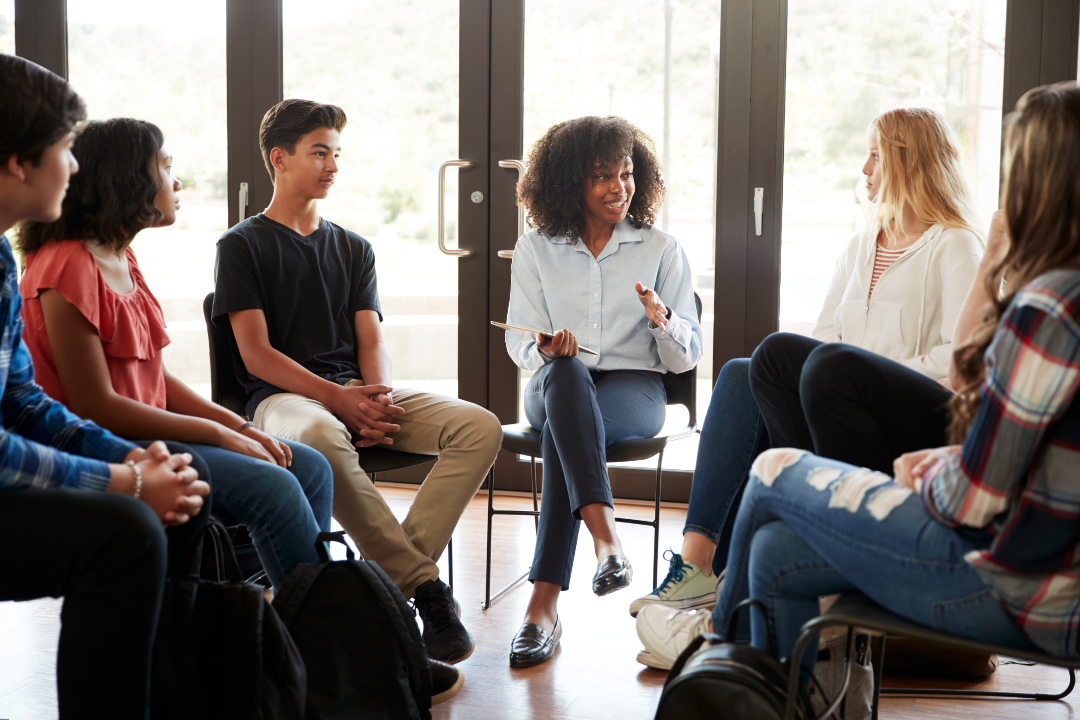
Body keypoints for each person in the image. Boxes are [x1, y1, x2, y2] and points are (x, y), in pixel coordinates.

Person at [636, 81, 1080, 679]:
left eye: (876, 154)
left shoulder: (981, 263)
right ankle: (715, 599)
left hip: (924, 447)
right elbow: (819, 343)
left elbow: (960, 376)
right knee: (757, 367)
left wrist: (874, 386)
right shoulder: (861, 247)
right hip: (865, 426)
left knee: (805, 414)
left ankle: (717, 639)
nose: (864, 168)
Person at [212, 98, 501, 666]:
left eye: (337, 153)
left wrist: (380, 398)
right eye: (320, 152)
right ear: (280, 158)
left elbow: (371, 341)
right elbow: (257, 355)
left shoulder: (354, 248)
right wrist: (340, 401)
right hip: (283, 399)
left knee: (479, 427)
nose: (333, 165)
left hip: (353, 390)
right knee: (320, 438)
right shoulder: (240, 246)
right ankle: (425, 589)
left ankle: (385, 586)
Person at [17, 117, 336, 592]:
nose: (176, 180)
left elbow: (156, 381)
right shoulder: (66, 266)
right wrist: (221, 435)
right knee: (274, 486)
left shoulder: (121, 256)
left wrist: (240, 426)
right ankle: (328, 637)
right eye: (165, 167)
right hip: (110, 444)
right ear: (126, 180)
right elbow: (95, 406)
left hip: (152, 431)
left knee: (309, 465)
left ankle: (292, 622)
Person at [0, 54, 210, 720]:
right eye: (66, 148)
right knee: (126, 529)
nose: (77, 165)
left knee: (179, 488)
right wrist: (122, 482)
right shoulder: (58, 265)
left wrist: (130, 458)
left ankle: (180, 698)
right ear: (17, 163)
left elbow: (25, 404)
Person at [502, 116, 702, 668]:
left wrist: (662, 321)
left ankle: (542, 609)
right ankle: (607, 538)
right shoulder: (536, 249)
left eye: (627, 173)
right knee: (567, 381)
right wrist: (545, 349)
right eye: (602, 176)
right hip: (554, 381)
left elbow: (687, 357)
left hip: (632, 389)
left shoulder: (661, 249)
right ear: (569, 184)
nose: (620, 187)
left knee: (567, 438)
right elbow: (520, 345)